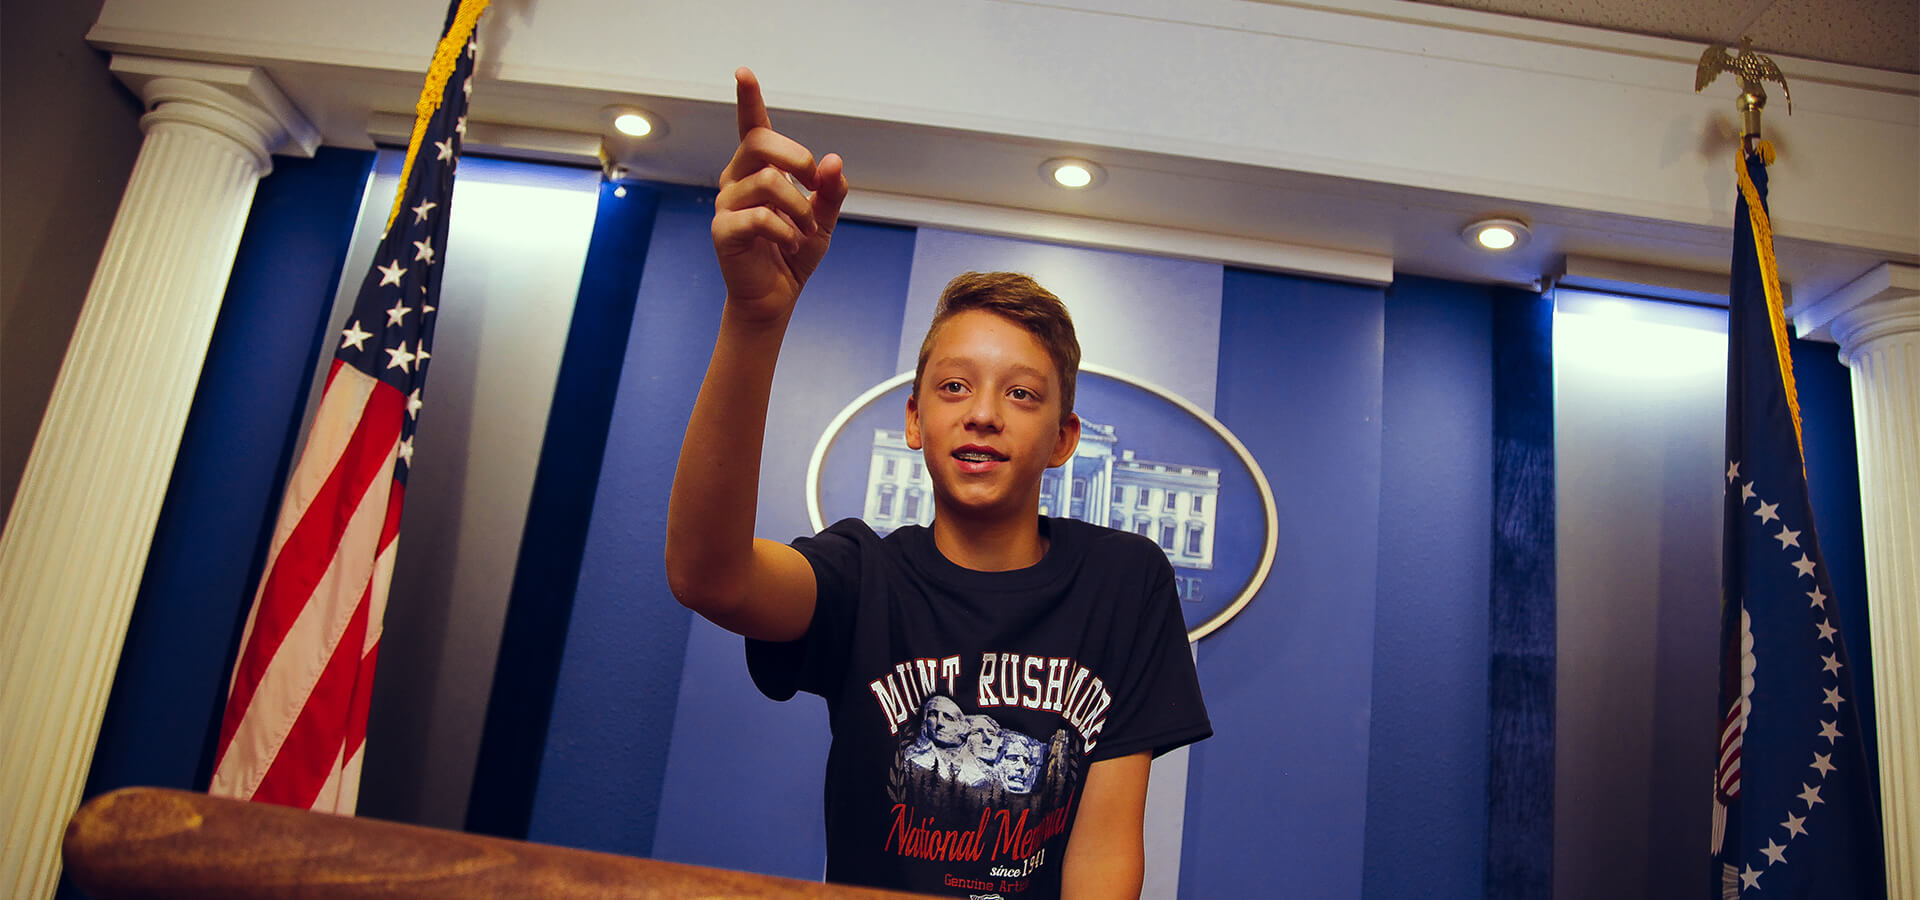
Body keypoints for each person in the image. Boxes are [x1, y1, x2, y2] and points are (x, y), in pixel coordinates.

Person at [665, 67, 1211, 900]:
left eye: (1021, 394)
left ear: (1064, 439)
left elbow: (1104, 852)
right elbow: (708, 575)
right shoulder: (861, 577)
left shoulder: (1124, 582)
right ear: (915, 422)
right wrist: (755, 316)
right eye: (954, 387)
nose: (983, 414)